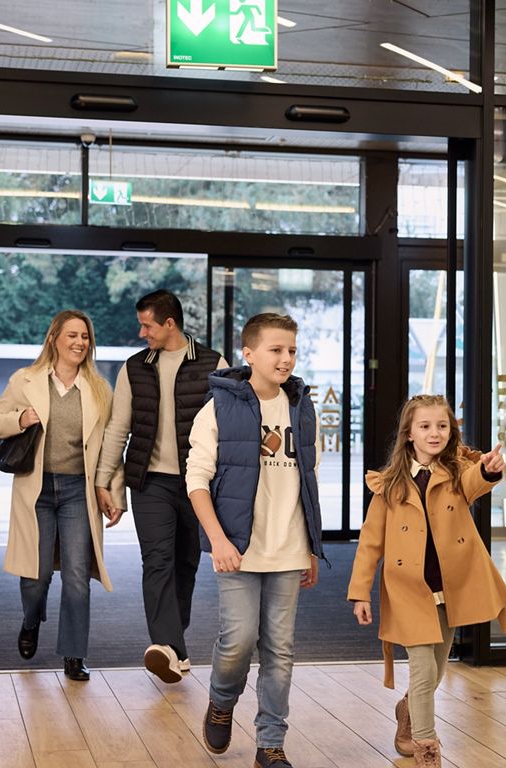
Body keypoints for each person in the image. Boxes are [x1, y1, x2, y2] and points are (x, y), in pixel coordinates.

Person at [186, 312, 324, 768]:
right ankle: (222, 700)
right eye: (276, 350)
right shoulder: (218, 407)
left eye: (292, 350)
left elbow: (309, 480)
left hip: (289, 548)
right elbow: (197, 480)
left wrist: (311, 546)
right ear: (249, 354)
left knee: (280, 651)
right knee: (238, 641)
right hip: (238, 550)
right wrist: (219, 541)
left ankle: (271, 744)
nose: (286, 359)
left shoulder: (302, 407)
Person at [347, 394, 506, 768]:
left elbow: (476, 481)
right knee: (423, 672)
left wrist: (488, 470)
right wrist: (360, 593)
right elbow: (370, 542)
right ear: (409, 433)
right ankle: (427, 751)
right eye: (425, 426)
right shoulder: (389, 484)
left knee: (436, 671)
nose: (434, 433)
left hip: (450, 589)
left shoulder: (456, 473)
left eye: (442, 426)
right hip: (408, 589)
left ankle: (407, 710)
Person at [0, 309, 125, 681]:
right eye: (72, 335)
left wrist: (114, 493)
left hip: (79, 490)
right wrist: (20, 419)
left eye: (85, 337)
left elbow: (111, 447)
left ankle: (74, 654)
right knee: (36, 576)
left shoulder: (99, 388)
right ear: (54, 339)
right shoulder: (26, 380)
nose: (80, 342)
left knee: (77, 576)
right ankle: (31, 620)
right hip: (37, 489)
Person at [95, 289, 226, 683]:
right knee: (157, 561)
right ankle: (167, 646)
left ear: (170, 324)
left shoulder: (214, 363)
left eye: (147, 325)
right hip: (150, 482)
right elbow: (118, 427)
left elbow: (229, 427)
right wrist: (104, 480)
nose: (142, 333)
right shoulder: (134, 367)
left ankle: (173, 646)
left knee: (186, 563)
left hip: (197, 484)